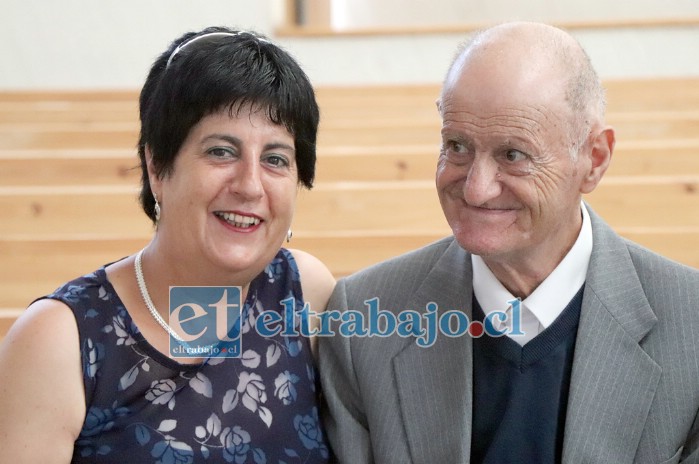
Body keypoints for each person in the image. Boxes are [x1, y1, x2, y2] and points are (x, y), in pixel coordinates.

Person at [318, 21, 699, 463]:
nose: (476, 189)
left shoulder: (691, 325)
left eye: (513, 155)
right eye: (457, 146)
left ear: (594, 160)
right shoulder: (363, 322)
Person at [0, 26, 335, 463]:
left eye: (275, 159)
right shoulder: (57, 339)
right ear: (157, 166)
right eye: (221, 151)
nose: (250, 185)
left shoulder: (305, 293)